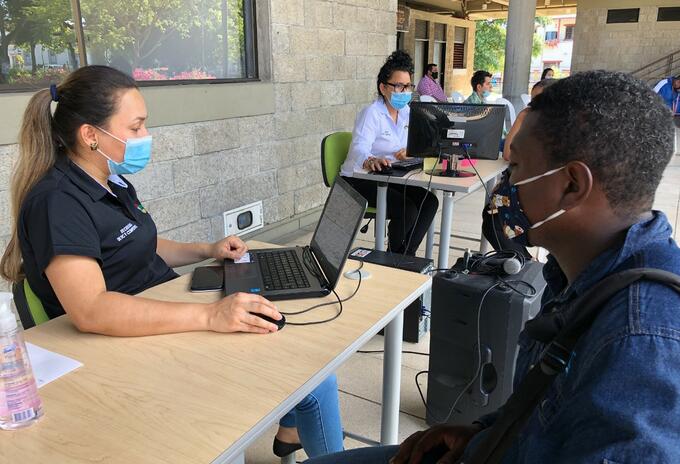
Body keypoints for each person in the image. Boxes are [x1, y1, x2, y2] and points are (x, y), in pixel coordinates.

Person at [305, 71, 680, 463]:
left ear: (572, 185)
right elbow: (546, 408)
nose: (505, 187)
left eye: (515, 168)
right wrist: (485, 432)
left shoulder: (641, 342)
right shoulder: (579, 273)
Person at [0, 65, 343, 460]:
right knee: (313, 379)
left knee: (309, 362)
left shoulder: (110, 181)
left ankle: (290, 430)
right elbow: (91, 309)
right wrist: (210, 316)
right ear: (91, 135)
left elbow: (139, 244)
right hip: (126, 344)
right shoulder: (58, 202)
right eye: (136, 127)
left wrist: (207, 249)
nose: (146, 136)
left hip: (164, 311)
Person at [340, 51, 438, 256]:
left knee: (429, 202)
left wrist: (412, 153)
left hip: (391, 176)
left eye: (408, 86)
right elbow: (359, 146)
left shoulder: (408, 113)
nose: (405, 91)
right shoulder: (372, 113)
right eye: (399, 86)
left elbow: (422, 143)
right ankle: (395, 257)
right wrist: (370, 159)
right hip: (360, 179)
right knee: (407, 209)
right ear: (383, 88)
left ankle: (403, 256)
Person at [482, 78, 557, 260]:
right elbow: (508, 153)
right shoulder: (531, 120)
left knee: (494, 221)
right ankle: (522, 260)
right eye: (532, 102)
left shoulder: (557, 128)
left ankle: (522, 262)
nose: (534, 106)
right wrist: (522, 117)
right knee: (492, 217)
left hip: (537, 193)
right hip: (516, 188)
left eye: (540, 101)